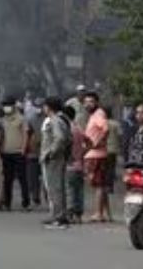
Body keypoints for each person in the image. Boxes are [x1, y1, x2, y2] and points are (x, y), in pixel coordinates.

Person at [39, 97, 72, 229]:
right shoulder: (61, 119)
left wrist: (50, 152)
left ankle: (58, 217)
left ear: (49, 107)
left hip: (53, 159)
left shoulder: (55, 120)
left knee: (54, 188)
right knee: (55, 187)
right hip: (57, 158)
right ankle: (58, 215)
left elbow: (60, 138)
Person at [81, 92, 111, 223]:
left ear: (97, 103)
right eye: (86, 102)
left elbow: (105, 129)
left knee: (98, 185)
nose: (88, 104)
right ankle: (107, 213)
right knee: (101, 185)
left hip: (96, 155)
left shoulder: (98, 114)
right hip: (95, 154)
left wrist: (98, 142)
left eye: (91, 102)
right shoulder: (94, 115)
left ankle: (98, 213)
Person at [0, 97, 30, 211]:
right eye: (5, 105)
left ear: (14, 106)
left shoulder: (21, 118)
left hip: (18, 152)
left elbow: (25, 134)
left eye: (8, 105)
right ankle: (7, 203)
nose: (6, 108)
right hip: (6, 152)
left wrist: (23, 149)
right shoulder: (2, 119)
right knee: (7, 179)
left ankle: (26, 203)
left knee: (22, 178)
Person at [64, 106, 86, 222]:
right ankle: (78, 215)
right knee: (79, 190)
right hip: (79, 164)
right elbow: (89, 142)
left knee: (69, 190)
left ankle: (70, 213)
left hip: (69, 164)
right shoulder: (78, 128)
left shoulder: (67, 129)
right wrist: (82, 153)